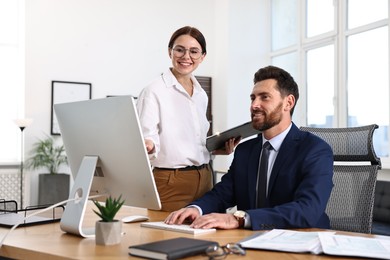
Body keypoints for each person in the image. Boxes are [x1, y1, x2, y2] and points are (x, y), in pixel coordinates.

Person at [164, 65, 334, 230]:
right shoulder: (245, 150)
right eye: (253, 98)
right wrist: (196, 209)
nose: (254, 105)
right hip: (252, 241)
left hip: (301, 241)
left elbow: (308, 210)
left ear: (288, 103)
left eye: (264, 97)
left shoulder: (315, 150)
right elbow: (223, 194)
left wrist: (240, 219)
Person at [136, 26, 239, 212]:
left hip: (206, 177)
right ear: (170, 52)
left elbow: (193, 141)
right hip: (170, 182)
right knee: (165, 238)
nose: (186, 57)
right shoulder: (153, 91)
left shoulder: (201, 94)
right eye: (180, 49)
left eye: (194, 51)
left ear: (202, 56)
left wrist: (214, 150)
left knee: (205, 236)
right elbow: (148, 139)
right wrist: (148, 145)